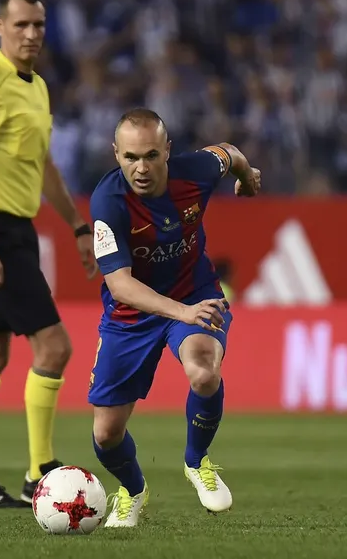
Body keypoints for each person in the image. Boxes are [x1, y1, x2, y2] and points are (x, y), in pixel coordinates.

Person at [0, 0, 96, 509]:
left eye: (39, 25)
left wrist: (77, 225)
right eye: (21, 25)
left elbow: (44, 167)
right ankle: (41, 473)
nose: (32, 34)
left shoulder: (37, 87)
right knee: (54, 347)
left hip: (17, 231)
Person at [86, 108, 261, 527]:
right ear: (116, 154)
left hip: (194, 293)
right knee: (106, 435)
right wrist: (182, 312)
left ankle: (197, 461)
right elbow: (122, 285)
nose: (141, 168)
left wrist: (248, 178)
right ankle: (132, 491)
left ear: (167, 150)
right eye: (130, 158)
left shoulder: (195, 171)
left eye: (150, 155)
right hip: (132, 313)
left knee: (204, 373)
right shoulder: (107, 202)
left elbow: (230, 153)